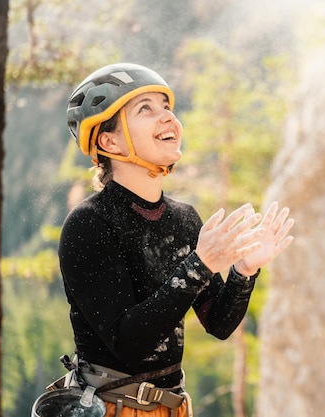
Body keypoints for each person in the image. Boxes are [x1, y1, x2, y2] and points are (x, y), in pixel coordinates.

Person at [56, 63, 294, 417]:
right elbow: (128, 343)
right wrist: (200, 266)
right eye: (146, 109)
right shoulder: (89, 223)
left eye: (166, 107)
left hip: (173, 408)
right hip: (110, 408)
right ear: (110, 141)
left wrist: (245, 270)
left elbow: (219, 323)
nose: (167, 117)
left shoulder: (183, 219)